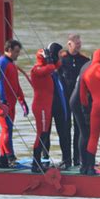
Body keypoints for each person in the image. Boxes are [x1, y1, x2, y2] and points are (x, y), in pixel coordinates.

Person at [70, 48, 100, 174]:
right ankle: (87, 166)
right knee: (87, 134)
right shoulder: (96, 68)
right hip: (81, 102)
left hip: (78, 101)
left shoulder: (88, 64)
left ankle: (85, 165)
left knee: (85, 133)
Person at [0, 39, 29, 168]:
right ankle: (10, 156)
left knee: (8, 129)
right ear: (10, 50)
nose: (18, 54)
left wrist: (22, 101)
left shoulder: (11, 64)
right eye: (16, 52)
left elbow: (16, 85)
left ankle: (3, 159)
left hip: (10, 103)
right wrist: (3, 101)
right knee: (7, 128)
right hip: (2, 102)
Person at [57, 34, 90, 167]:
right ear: (69, 44)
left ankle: (78, 159)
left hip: (79, 100)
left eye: (79, 43)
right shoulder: (62, 60)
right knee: (65, 129)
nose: (79, 45)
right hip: (65, 99)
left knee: (79, 130)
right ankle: (66, 159)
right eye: (76, 43)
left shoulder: (84, 60)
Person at [29, 44, 63, 173]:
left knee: (44, 134)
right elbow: (50, 68)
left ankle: (37, 162)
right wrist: (49, 60)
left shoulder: (46, 68)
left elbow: (57, 65)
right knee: (41, 134)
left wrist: (54, 56)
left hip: (46, 107)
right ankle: (35, 163)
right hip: (40, 107)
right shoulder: (37, 69)